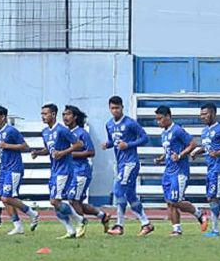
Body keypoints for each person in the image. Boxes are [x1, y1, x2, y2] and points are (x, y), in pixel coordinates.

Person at [31, 103, 86, 239]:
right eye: (42, 114)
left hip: (65, 169)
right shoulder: (45, 132)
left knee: (55, 201)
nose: (43, 116)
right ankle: (70, 230)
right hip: (54, 170)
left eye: (46, 114)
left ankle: (79, 219)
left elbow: (79, 144)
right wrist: (38, 152)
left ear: (53, 115)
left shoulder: (62, 130)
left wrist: (63, 153)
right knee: (56, 203)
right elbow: (49, 150)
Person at [0, 106, 37, 234]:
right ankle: (17, 225)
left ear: (3, 117)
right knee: (3, 197)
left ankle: (32, 213)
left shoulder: (11, 131)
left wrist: (7, 145)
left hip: (14, 167)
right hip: (4, 168)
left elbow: (25, 146)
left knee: (7, 197)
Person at [101, 96, 154, 236]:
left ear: (122, 108)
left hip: (130, 162)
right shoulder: (109, 124)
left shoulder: (130, 123)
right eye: (112, 108)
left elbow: (144, 137)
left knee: (118, 190)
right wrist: (108, 144)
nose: (115, 111)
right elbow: (114, 140)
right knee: (130, 195)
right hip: (120, 163)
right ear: (109, 108)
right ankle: (146, 223)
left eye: (117, 108)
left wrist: (129, 145)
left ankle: (119, 225)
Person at [154, 105, 208, 236]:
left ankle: (199, 213)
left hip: (179, 171)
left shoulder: (177, 130)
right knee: (169, 201)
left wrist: (180, 156)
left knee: (175, 201)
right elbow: (169, 150)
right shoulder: (164, 133)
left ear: (168, 117)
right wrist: (162, 158)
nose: (158, 122)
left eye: (160, 119)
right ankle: (176, 229)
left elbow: (193, 144)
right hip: (168, 171)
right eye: (157, 119)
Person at [62, 105, 110, 233]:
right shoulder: (65, 133)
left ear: (75, 117)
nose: (65, 117)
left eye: (68, 114)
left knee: (73, 199)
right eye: (64, 114)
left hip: (81, 171)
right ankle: (103, 216)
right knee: (76, 201)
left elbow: (91, 152)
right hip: (70, 172)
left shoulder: (82, 133)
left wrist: (70, 154)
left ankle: (80, 225)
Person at [191, 102, 220, 237]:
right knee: (213, 199)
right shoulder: (204, 131)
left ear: (213, 113)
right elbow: (207, 147)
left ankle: (215, 230)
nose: (202, 117)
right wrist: (197, 152)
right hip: (211, 168)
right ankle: (215, 230)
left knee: (214, 199)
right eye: (201, 114)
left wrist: (219, 153)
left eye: (205, 114)